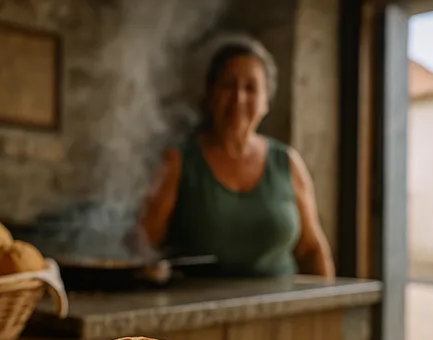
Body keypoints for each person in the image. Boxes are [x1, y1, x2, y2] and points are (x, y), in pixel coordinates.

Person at [138, 38, 335, 278]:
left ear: (266, 102)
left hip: (281, 300)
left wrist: (330, 299)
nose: (239, 98)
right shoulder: (178, 162)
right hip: (199, 299)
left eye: (251, 88)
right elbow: (143, 245)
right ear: (210, 95)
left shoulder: (287, 162)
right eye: (228, 86)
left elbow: (311, 249)